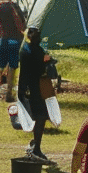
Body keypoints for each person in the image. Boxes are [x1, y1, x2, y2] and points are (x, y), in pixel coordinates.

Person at [18, 26, 55, 163]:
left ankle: (35, 144)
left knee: (36, 116)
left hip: (27, 86)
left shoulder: (25, 49)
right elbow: (40, 69)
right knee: (40, 117)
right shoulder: (36, 51)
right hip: (36, 88)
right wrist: (48, 62)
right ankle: (36, 148)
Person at [0, 0, 27, 99]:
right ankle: (9, 92)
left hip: (3, 40)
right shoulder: (15, 6)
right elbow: (23, 24)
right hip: (16, 40)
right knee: (13, 66)